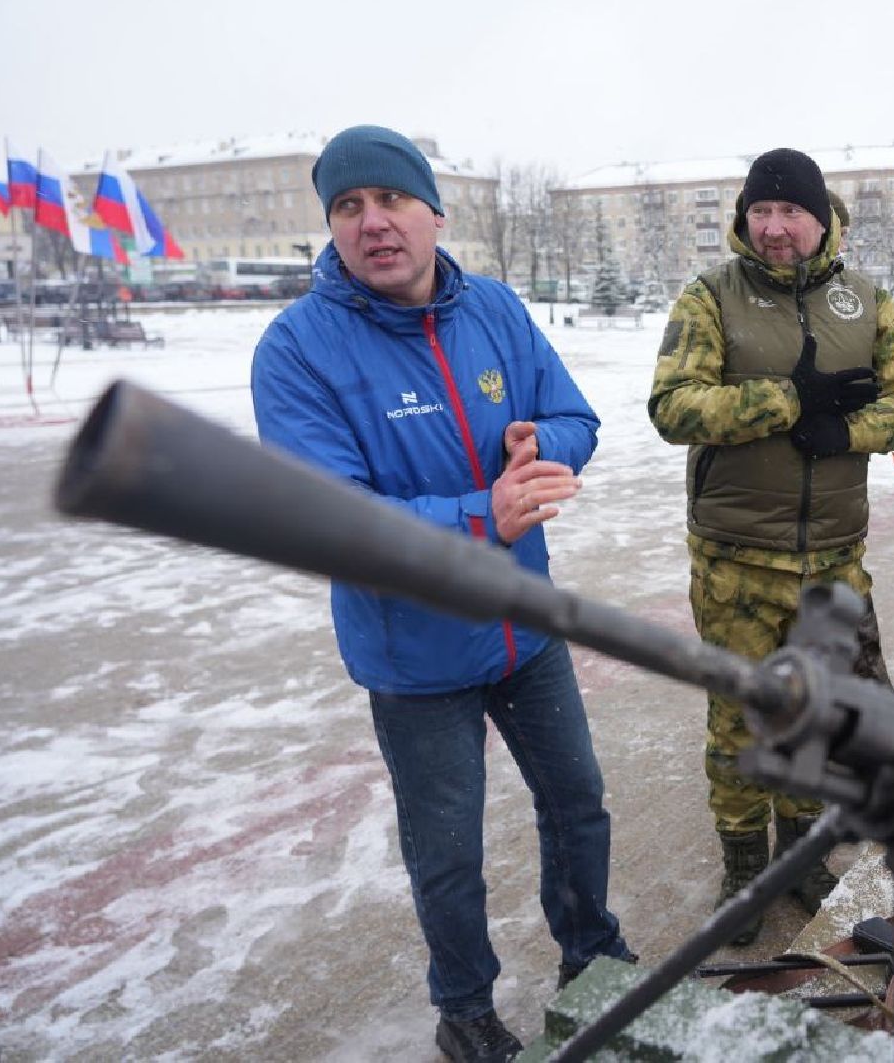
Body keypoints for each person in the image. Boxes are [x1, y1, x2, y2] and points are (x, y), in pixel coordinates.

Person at [250, 125, 632, 1063]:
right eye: (348, 208)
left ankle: (594, 960)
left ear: (434, 212)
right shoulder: (297, 350)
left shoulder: (494, 310)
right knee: (449, 849)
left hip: (526, 631)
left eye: (391, 201)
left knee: (577, 801)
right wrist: (479, 517)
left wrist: (545, 448)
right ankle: (464, 1011)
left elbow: (576, 415)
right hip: (416, 656)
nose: (373, 224)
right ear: (332, 228)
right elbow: (328, 518)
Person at [648, 148, 894, 943]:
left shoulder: (865, 299)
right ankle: (743, 866)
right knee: (739, 722)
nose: (775, 228)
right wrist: (786, 400)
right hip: (736, 557)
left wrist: (844, 428)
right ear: (745, 218)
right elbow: (673, 407)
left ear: (822, 219)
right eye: (761, 213)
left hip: (833, 557)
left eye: (791, 213)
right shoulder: (710, 295)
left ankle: (803, 854)